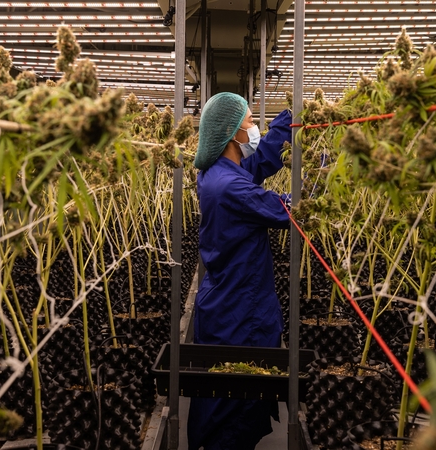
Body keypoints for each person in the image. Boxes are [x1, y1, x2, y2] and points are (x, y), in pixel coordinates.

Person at [187, 92, 293, 450]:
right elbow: (287, 210)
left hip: (228, 299)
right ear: (233, 133)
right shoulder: (230, 186)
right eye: (250, 120)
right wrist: (323, 179)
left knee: (228, 389)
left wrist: (288, 122)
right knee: (237, 399)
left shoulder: (218, 171)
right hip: (240, 309)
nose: (255, 127)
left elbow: (261, 160)